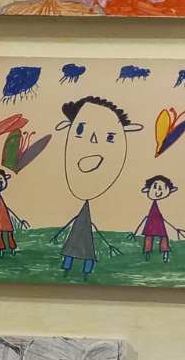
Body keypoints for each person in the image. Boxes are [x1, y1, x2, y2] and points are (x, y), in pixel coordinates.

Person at [52, 97, 142, 277]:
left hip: (84, 240)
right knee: (78, 251)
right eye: (80, 130)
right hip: (80, 239)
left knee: (82, 252)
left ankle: (77, 270)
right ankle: (73, 269)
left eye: (109, 137)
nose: (93, 141)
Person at [132, 175, 185, 262]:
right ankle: (147, 252)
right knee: (149, 236)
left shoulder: (165, 204)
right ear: (147, 189)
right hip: (151, 222)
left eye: (163, 188)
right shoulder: (149, 204)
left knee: (163, 236)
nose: (159, 191)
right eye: (155, 187)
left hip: (159, 223)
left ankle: (164, 251)